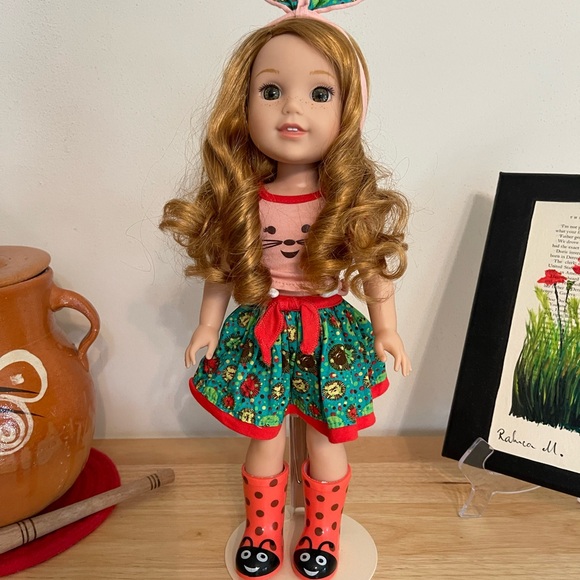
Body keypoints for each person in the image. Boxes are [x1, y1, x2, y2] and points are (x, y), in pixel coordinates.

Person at [161, 5, 410, 578]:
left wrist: (388, 329)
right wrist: (207, 324)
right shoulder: (242, 197)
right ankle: (263, 531)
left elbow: (373, 266)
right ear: (242, 102)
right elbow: (224, 267)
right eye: (271, 91)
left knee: (324, 438)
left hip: (329, 336)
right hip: (262, 332)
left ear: (348, 110)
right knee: (266, 435)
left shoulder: (344, 201)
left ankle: (321, 534)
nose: (292, 109)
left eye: (320, 94)